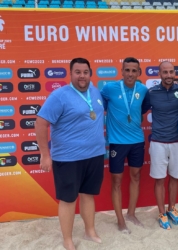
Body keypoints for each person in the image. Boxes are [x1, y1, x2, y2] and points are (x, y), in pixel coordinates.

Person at [35, 58, 105, 250]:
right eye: (78, 72)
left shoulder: (95, 91)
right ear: (71, 73)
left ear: (90, 73)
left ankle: (89, 231)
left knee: (89, 195)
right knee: (68, 199)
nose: (82, 76)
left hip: (95, 154)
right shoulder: (59, 96)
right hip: (68, 158)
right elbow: (40, 123)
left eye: (85, 72)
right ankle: (67, 240)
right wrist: (44, 154)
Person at [100, 57, 148, 234]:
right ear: (122, 71)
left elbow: (143, 108)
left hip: (137, 140)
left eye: (134, 70)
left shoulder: (142, 89)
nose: (130, 74)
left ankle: (131, 214)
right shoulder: (109, 88)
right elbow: (101, 106)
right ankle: (120, 220)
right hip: (117, 142)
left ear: (139, 73)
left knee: (136, 176)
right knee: (117, 181)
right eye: (127, 70)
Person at [142, 61, 178, 230]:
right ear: (159, 74)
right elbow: (139, 110)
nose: (168, 75)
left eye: (171, 72)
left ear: (174, 73)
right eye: (165, 72)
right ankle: (161, 212)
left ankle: (172, 208)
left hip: (177, 142)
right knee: (160, 179)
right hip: (158, 142)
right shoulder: (151, 93)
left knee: (175, 177)